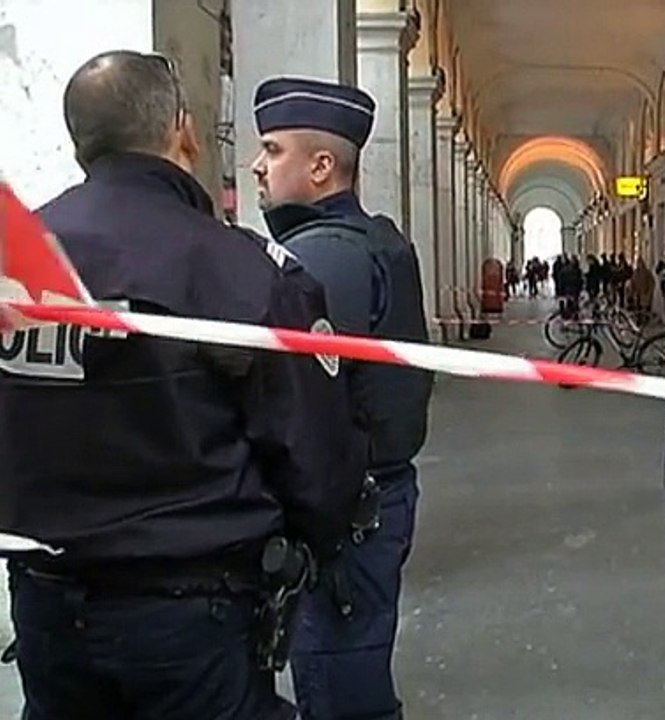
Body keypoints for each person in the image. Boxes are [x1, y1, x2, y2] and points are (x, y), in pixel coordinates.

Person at [0, 50, 364, 720]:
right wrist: (323, 537)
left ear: (80, 138)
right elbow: (308, 448)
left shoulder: (14, 263)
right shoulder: (235, 270)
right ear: (183, 131)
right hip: (192, 612)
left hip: (46, 603)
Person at [249, 75, 434, 720]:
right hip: (378, 496)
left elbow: (300, 406)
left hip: (343, 516)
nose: (256, 165)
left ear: (322, 166)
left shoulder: (320, 259)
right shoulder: (377, 240)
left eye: (272, 150)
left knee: (335, 680)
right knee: (355, 666)